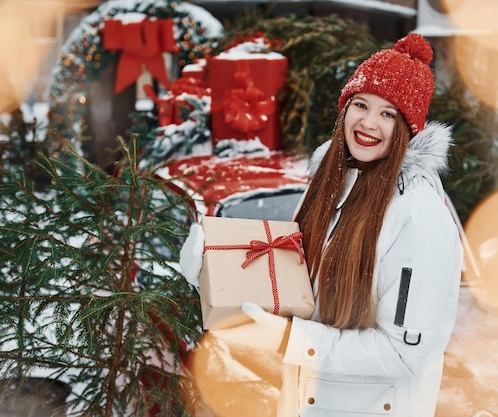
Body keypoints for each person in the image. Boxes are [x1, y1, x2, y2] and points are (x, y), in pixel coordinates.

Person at [184, 33, 462, 417]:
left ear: (408, 129)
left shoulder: (419, 214)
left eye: (388, 113)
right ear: (344, 108)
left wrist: (290, 339)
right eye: (360, 104)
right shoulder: (329, 183)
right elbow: (294, 286)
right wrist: (211, 270)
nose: (368, 122)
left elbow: (402, 352)